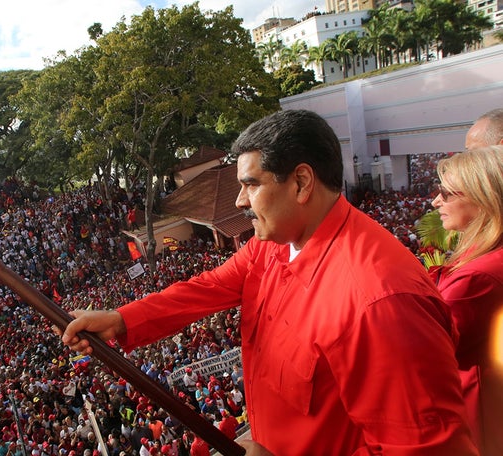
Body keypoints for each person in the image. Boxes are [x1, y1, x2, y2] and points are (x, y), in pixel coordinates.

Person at [60, 110, 477, 455]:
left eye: (251, 185)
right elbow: (205, 288)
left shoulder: (380, 301)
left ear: (300, 182)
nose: (240, 202)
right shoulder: (276, 243)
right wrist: (119, 319)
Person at [430, 145, 503, 455]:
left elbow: (421, 356)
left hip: (479, 427)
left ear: (482, 198)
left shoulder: (477, 279)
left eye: (446, 194)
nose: (435, 202)